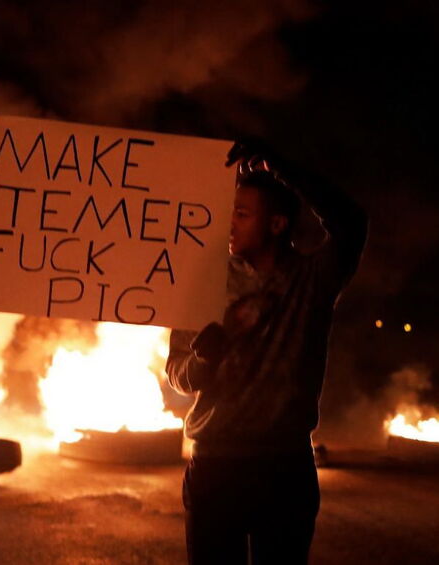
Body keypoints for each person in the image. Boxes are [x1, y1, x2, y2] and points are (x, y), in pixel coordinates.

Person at [165, 141, 368, 564]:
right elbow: (178, 375)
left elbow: (351, 223)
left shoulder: (312, 281)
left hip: (285, 468)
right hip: (215, 468)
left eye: (242, 213)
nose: (230, 222)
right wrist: (205, 358)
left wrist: (284, 166)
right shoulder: (202, 281)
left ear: (277, 225)